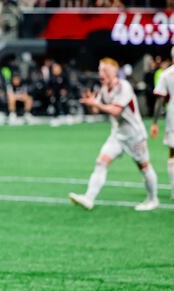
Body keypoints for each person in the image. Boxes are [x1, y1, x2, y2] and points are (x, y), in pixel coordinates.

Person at [69, 58, 159, 211]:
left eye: (105, 70)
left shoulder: (124, 86)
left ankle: (153, 199)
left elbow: (116, 110)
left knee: (143, 166)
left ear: (114, 71)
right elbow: (97, 110)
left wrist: (96, 104)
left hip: (134, 134)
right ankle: (89, 198)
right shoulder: (104, 89)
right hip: (117, 134)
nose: (101, 73)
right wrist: (91, 103)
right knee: (101, 162)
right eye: (99, 70)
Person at [149, 48, 174, 200]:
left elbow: (160, 101)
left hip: (172, 114)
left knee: (173, 152)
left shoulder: (166, 74)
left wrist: (154, 123)